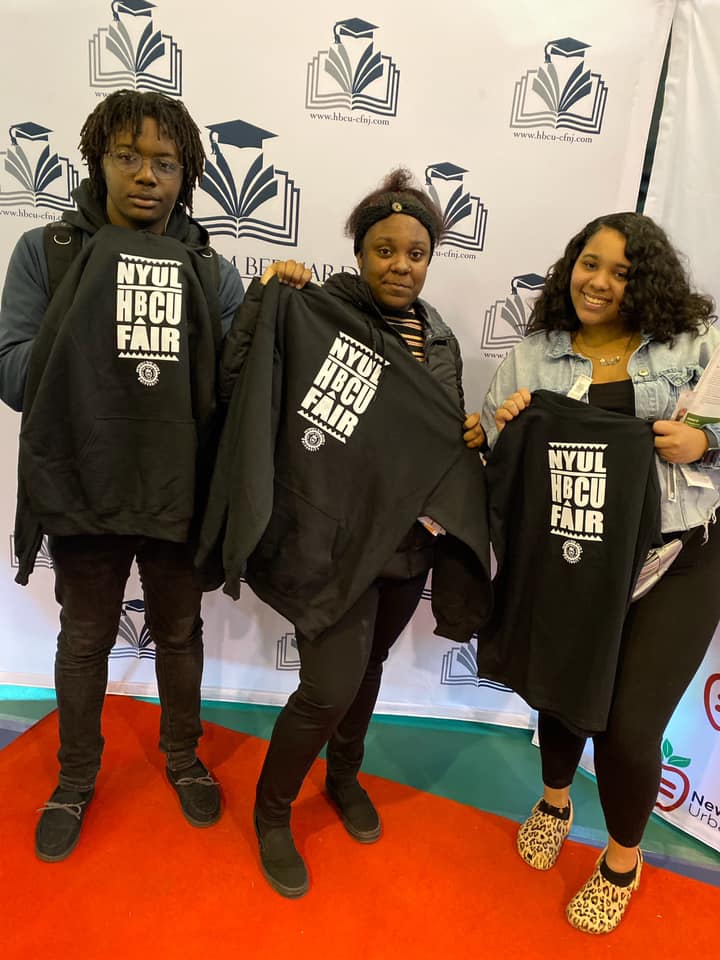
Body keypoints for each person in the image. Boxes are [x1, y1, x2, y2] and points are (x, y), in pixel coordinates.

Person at [216, 169, 485, 897]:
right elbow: (240, 380)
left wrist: (469, 436)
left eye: (417, 252)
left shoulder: (442, 339)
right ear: (359, 252)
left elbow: (439, 441)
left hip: (406, 545)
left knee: (365, 674)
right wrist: (267, 301)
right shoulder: (317, 311)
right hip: (327, 540)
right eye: (384, 249)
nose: (401, 264)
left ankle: (342, 778)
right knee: (328, 685)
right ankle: (273, 814)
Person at [0, 90, 244, 862]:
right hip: (83, 485)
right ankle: (75, 778)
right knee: (85, 639)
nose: (147, 176)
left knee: (179, 633)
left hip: (180, 491)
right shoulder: (49, 253)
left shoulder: (212, 268)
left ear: (188, 173)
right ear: (97, 159)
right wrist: (91, 319)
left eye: (165, 162)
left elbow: (240, 387)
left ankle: (182, 757)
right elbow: (11, 372)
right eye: (127, 156)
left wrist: (285, 312)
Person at [480, 212, 720, 934]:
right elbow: (496, 447)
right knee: (560, 692)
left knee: (627, 728)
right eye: (591, 263)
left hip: (680, 554)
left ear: (644, 279)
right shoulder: (533, 357)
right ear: (570, 265)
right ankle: (555, 800)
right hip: (575, 554)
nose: (601, 282)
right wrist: (508, 421)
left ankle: (622, 857)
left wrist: (704, 440)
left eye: (621, 271)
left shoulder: (695, 345)